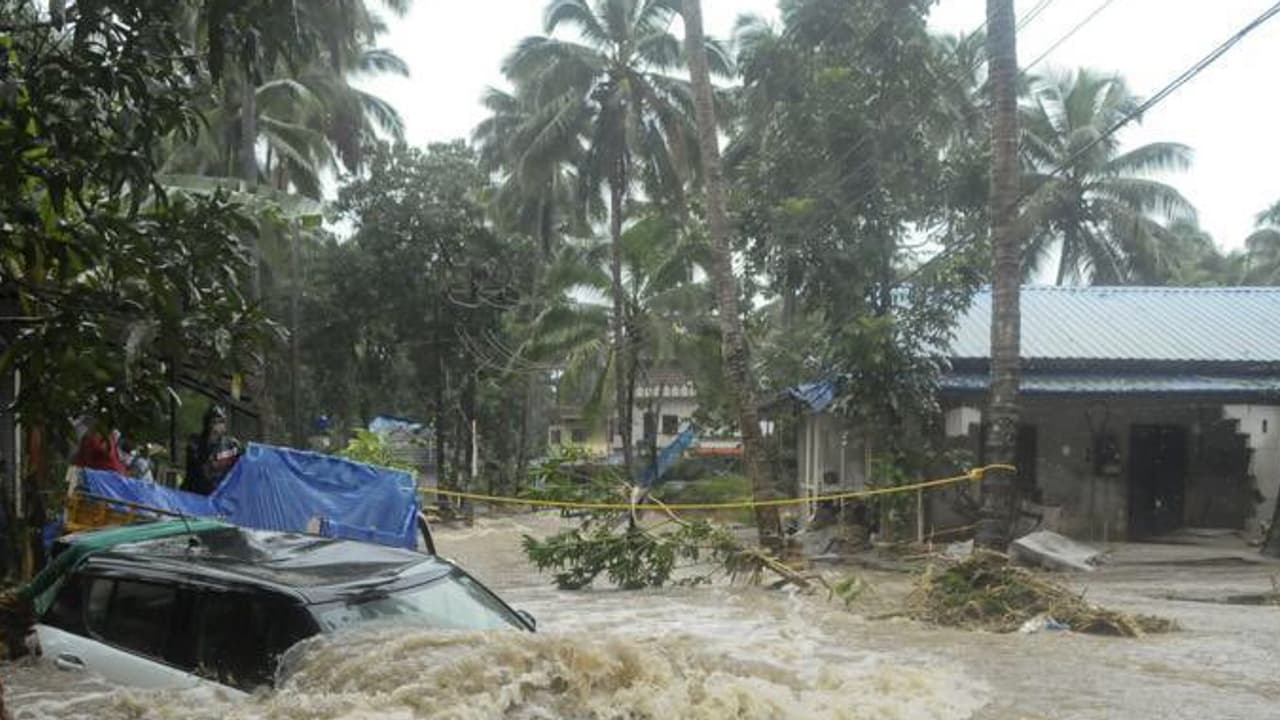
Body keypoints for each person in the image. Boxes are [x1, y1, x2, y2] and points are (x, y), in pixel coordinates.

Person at [187, 405, 241, 495]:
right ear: (208, 424)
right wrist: (212, 439)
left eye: (221, 422)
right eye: (214, 422)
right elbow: (197, 466)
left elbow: (240, 458)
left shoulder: (231, 445)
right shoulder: (195, 442)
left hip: (218, 496)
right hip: (194, 493)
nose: (217, 425)